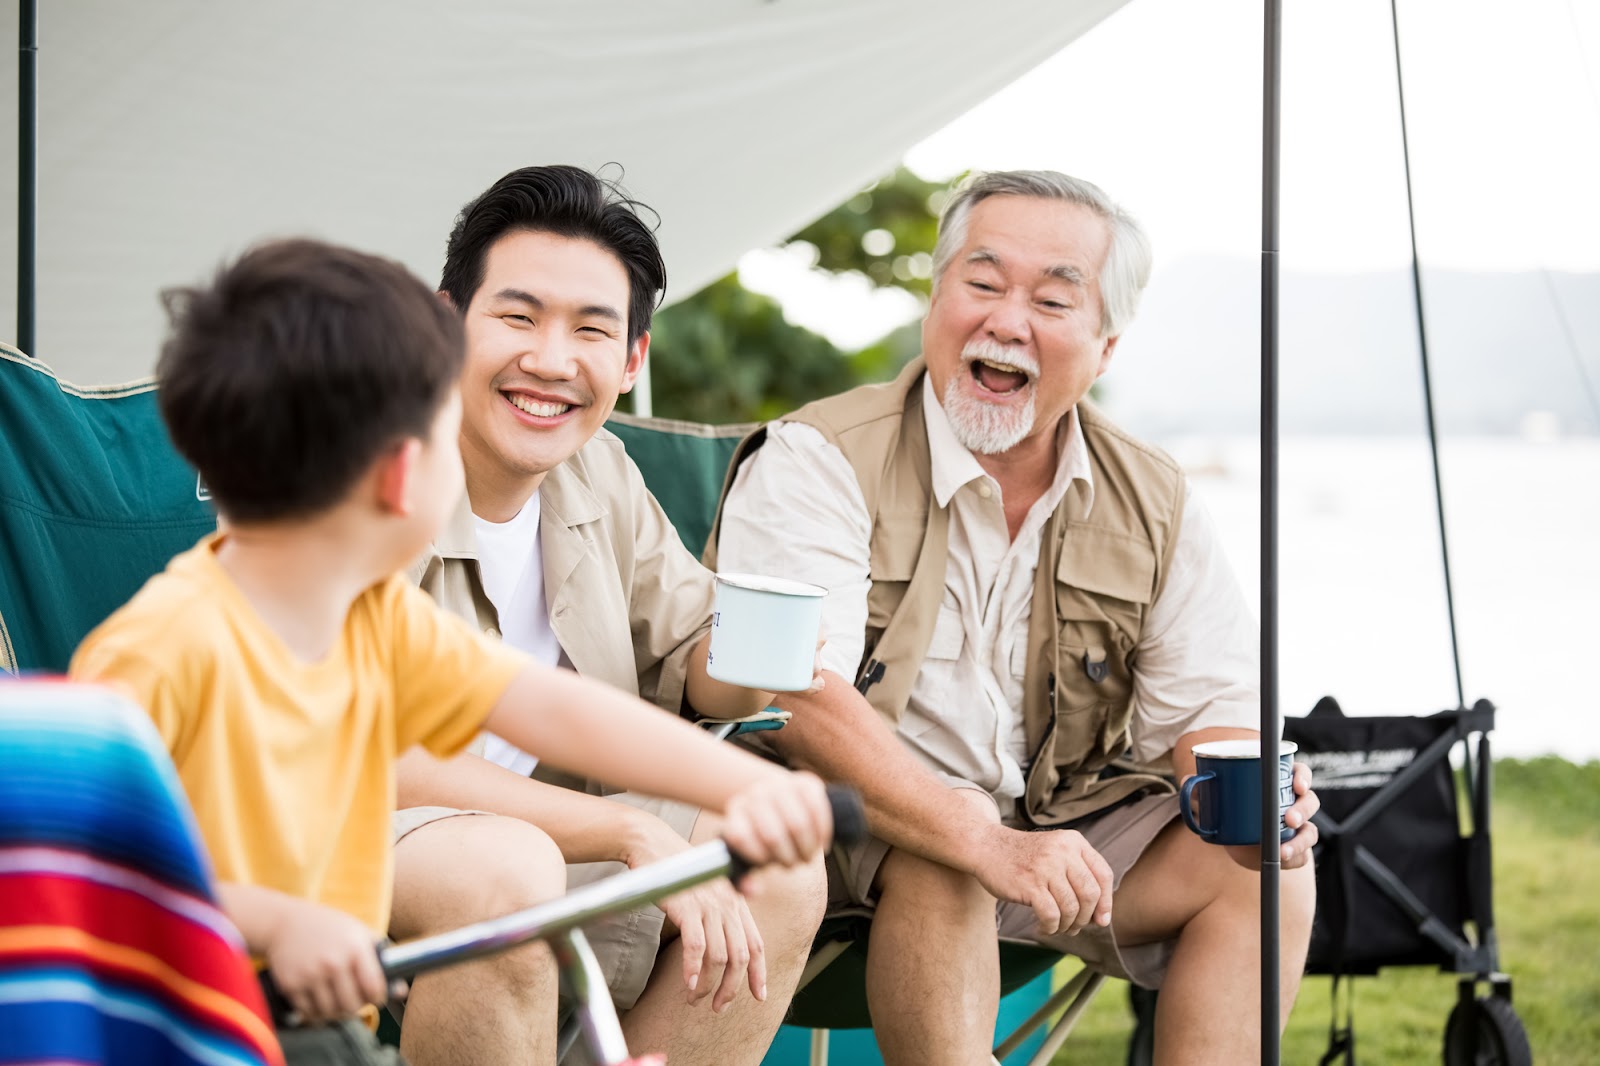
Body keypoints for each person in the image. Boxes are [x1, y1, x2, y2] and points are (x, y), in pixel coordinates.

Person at [68, 237, 834, 1065]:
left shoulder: (377, 621)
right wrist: (276, 922)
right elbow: (85, 871)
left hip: (321, 1011)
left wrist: (744, 781)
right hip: (182, 1019)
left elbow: (552, 710)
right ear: (403, 473)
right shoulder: (158, 650)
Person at [711, 169, 1321, 1066]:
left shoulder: (1154, 495)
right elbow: (794, 699)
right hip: (842, 829)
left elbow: (1208, 709)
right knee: (948, 851)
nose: (1006, 319)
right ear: (938, 296)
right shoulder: (819, 458)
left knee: (1270, 881)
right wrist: (978, 838)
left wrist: (1254, 808)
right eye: (983, 282)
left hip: (1048, 830)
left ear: (1105, 346)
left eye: (1052, 298)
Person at [387, 164, 827, 1066]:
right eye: (517, 317)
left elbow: (692, 662)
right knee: (510, 873)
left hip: (535, 839)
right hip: (329, 834)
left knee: (775, 858)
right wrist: (628, 833)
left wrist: (762, 651)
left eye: (591, 330)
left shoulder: (601, 473)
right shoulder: (360, 475)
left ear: (631, 361)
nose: (551, 362)